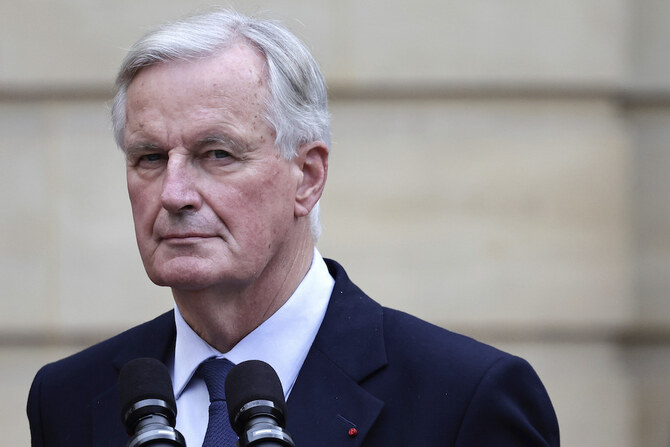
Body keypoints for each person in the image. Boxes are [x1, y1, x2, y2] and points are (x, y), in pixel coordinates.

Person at [27, 9, 560, 447]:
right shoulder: (69, 398)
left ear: (307, 176)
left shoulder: (465, 397)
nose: (174, 194)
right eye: (149, 157)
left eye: (217, 153)